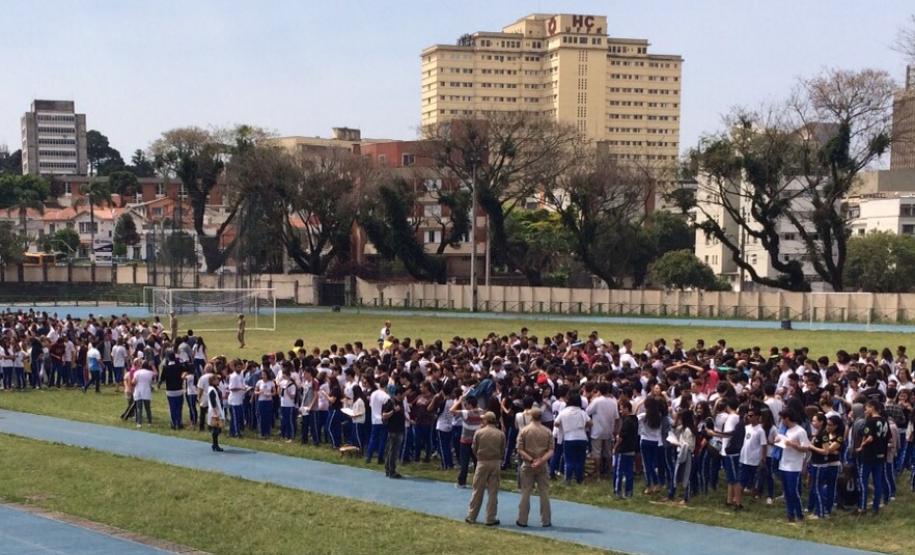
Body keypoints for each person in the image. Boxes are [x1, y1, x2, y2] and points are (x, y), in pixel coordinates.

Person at [465, 411, 505, 526]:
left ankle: (472, 516)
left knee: (477, 490)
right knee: (493, 492)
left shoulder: (479, 432)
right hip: (495, 462)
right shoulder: (500, 434)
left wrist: (479, 457)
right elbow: (503, 449)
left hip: (482, 462)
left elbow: (474, 448)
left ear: (486, 420)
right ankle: (490, 518)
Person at [516, 407, 553, 528]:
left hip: (528, 464)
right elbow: (551, 450)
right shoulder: (547, 431)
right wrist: (541, 460)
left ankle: (522, 520)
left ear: (531, 416)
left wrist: (531, 459)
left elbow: (520, 449)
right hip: (542, 465)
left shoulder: (524, 430)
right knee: (544, 493)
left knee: (525, 492)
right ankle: (546, 520)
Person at [856, 399, 888, 515]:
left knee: (863, 480)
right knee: (877, 481)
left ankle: (862, 507)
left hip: (869, 455)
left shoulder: (870, 421)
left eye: (867, 408)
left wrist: (861, 446)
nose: (866, 410)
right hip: (881, 453)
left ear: (872, 407)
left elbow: (869, 437)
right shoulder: (884, 421)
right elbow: (887, 437)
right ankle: (876, 507)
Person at [778, 409, 809, 523]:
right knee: (786, 491)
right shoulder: (786, 430)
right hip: (784, 463)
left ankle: (799, 515)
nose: (781, 421)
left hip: (794, 465)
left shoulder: (800, 431)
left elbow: (805, 448)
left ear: (787, 418)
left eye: (782, 419)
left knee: (793, 491)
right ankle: (790, 515)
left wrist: (792, 444)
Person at [554, 391, 590, 484]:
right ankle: (579, 479)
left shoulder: (564, 412)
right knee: (580, 460)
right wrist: (583, 425)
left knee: (569, 460)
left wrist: (564, 426)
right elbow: (590, 423)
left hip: (569, 438)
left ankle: (568, 479)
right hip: (582, 438)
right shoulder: (582, 412)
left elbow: (556, 423)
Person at [614, 400, 638, 498]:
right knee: (629, 472)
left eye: (621, 409)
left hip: (623, 449)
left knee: (619, 471)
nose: (620, 412)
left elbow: (621, 437)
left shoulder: (626, 421)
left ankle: (618, 491)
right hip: (631, 448)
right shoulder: (635, 419)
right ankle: (629, 491)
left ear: (627, 409)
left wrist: (615, 447)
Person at [383, 386, 406, 479]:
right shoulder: (391, 402)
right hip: (393, 430)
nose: (404, 396)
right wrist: (393, 411)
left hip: (400, 429)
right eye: (403, 394)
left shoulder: (401, 402)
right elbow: (384, 415)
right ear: (399, 394)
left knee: (393, 451)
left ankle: (389, 469)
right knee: (393, 451)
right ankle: (391, 471)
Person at [132, 361, 155, 428]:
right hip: (146, 391)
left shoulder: (137, 372)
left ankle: (139, 423)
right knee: (148, 408)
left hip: (138, 391)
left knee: (139, 408)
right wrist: (153, 366)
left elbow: (133, 381)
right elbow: (156, 374)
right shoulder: (150, 372)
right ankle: (149, 422)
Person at [207, 373, 225, 452]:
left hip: (218, 409)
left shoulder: (215, 388)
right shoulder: (212, 389)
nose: (218, 381)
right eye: (217, 379)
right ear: (213, 381)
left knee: (218, 428)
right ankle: (215, 444)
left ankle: (215, 444)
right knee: (216, 428)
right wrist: (215, 412)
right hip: (215, 411)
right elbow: (213, 401)